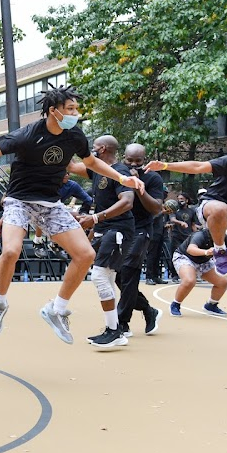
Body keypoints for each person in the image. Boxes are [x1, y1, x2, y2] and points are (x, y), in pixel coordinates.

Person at [0, 85, 144, 343]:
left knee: (86, 255)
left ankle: (56, 309)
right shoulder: (28, 134)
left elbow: (92, 163)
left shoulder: (74, 136)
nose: (76, 113)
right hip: (20, 200)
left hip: (50, 202)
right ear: (54, 111)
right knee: (11, 251)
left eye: (76, 108)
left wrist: (121, 177)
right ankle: (0, 303)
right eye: (70, 108)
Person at [146, 123, 227, 278]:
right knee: (220, 208)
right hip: (211, 208)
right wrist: (165, 165)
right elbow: (198, 166)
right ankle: (220, 252)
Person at [66, 137, 137, 348]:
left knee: (99, 275)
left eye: (92, 147)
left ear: (102, 149)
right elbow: (69, 165)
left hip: (118, 229)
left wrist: (96, 218)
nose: (90, 150)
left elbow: (127, 202)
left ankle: (114, 331)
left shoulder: (120, 171)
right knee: (107, 276)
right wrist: (65, 139)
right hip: (105, 230)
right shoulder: (96, 169)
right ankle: (116, 330)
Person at [113, 144, 164, 337]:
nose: (134, 164)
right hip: (121, 229)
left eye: (138, 161)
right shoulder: (118, 174)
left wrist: (138, 186)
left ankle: (122, 323)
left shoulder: (152, 178)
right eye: (129, 160)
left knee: (128, 270)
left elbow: (156, 208)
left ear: (145, 159)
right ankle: (148, 310)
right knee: (118, 275)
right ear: (123, 157)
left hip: (141, 230)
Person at [169, 229, 227, 317]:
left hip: (204, 261)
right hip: (185, 257)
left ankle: (211, 305)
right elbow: (191, 249)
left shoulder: (224, 237)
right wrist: (206, 252)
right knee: (189, 281)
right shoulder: (200, 235)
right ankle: (175, 304)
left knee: (222, 282)